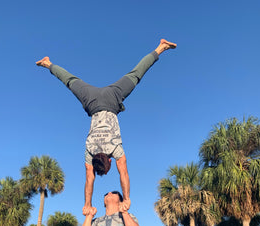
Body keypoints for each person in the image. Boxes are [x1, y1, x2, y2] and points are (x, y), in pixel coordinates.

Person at [36, 39, 176, 214]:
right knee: (70, 81)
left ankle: (160, 48)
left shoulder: (115, 149)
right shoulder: (89, 151)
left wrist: (127, 198)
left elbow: (123, 173)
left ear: (110, 160)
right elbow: (89, 178)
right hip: (92, 99)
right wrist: (86, 204)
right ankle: (48, 63)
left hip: (111, 98)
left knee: (135, 75)